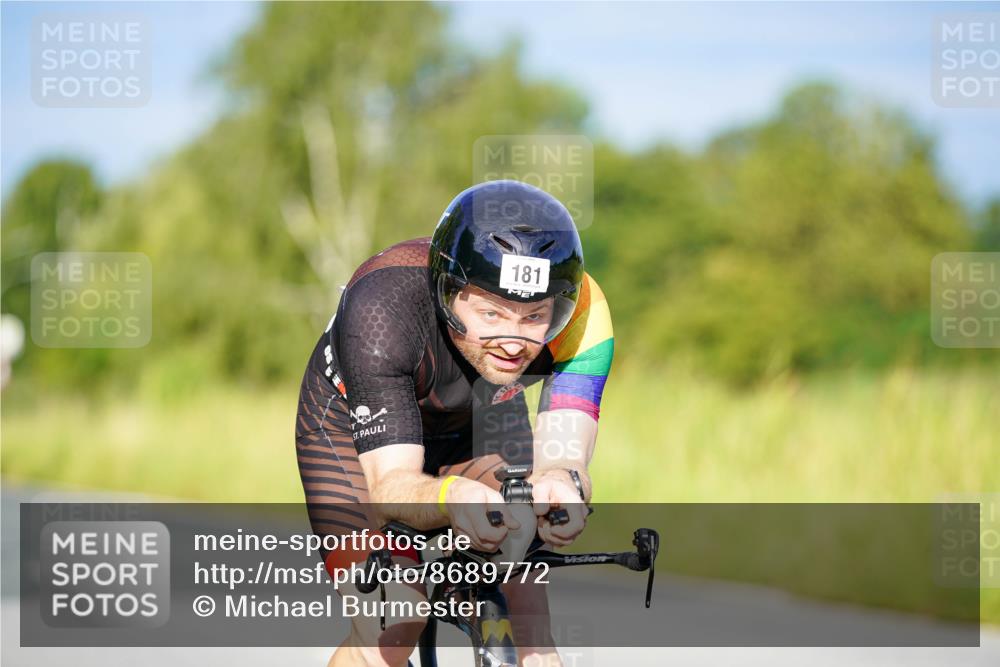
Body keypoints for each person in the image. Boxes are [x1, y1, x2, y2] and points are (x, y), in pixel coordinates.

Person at [295, 180, 613, 666]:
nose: (512, 340)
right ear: (448, 290)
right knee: (393, 622)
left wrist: (562, 485)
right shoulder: (382, 307)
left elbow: (565, 455)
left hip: (481, 414)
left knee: (532, 631)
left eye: (534, 318)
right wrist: (451, 497)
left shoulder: (585, 314)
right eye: (491, 311)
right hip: (350, 430)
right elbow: (390, 489)